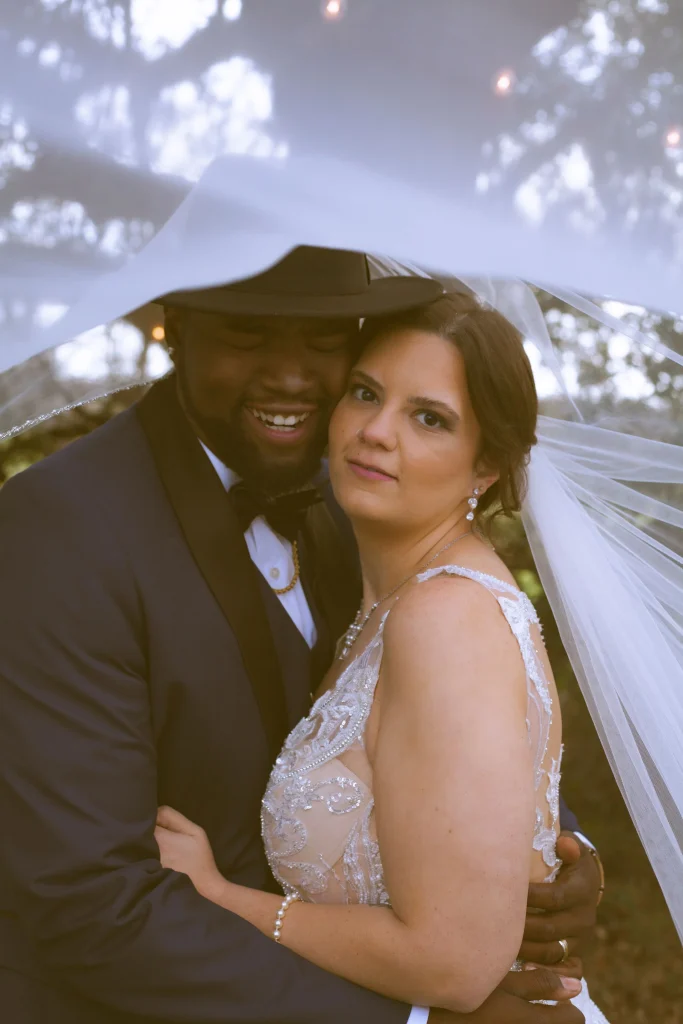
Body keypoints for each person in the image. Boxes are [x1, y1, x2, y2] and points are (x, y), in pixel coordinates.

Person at [0, 247, 599, 1024]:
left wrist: (551, 853)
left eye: (321, 342)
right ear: (176, 328)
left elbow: (440, 721)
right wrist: (421, 1019)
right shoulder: (62, 527)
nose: (290, 376)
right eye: (248, 334)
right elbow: (91, 903)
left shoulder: (356, 497)